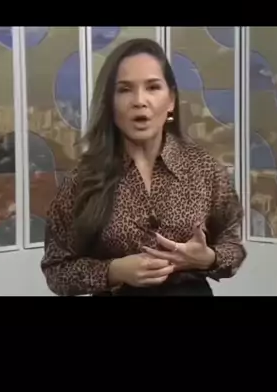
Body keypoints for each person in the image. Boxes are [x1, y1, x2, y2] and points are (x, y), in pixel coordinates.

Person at [41, 37, 246, 297]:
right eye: (125, 89)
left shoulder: (204, 169)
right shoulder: (83, 179)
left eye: (152, 87)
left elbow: (233, 247)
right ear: (110, 103)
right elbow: (56, 270)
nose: (139, 100)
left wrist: (208, 259)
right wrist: (114, 271)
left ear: (170, 100)